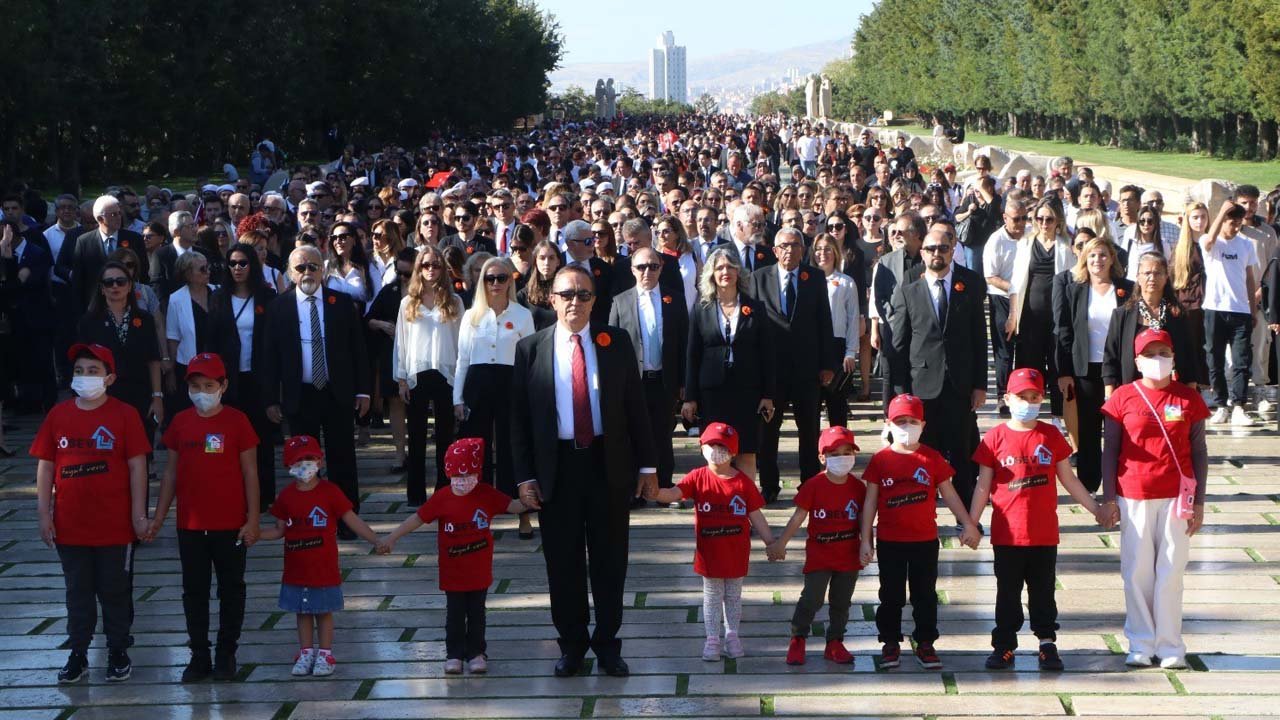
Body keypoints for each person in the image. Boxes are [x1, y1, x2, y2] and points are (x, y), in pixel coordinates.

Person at [509, 264, 658, 678]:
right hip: (556, 469)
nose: (576, 302)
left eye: (584, 295)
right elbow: (518, 421)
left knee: (611, 561)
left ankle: (608, 644)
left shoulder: (616, 342)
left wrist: (648, 466)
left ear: (596, 300)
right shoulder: (530, 349)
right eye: (568, 294)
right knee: (563, 563)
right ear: (551, 298)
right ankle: (572, 645)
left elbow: (636, 409)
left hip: (607, 465)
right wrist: (524, 477)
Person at [970, 368, 1106, 671]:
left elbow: (1069, 480)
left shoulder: (1051, 435)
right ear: (1007, 398)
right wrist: (971, 522)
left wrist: (1094, 507)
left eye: (1034, 397)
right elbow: (982, 484)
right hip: (1008, 535)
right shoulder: (994, 438)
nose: (1028, 402)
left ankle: (1047, 643)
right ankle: (1004, 644)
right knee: (1007, 592)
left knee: (1043, 591)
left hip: (1043, 534)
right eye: (1021, 396)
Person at [32, 343, 150, 684]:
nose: (85, 377)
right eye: (80, 371)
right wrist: (44, 513)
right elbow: (45, 466)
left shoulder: (124, 415)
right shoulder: (59, 415)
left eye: (93, 371)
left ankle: (117, 650)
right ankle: (79, 653)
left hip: (115, 527)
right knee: (77, 592)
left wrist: (139, 515)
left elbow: (137, 466)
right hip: (71, 527)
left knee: (115, 591)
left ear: (109, 378)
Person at [1100, 329, 1209, 670]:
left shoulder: (1188, 399)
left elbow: (1200, 452)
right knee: (1136, 572)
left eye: (1163, 352)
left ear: (1173, 357)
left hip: (1178, 498)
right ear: (1137, 361)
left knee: (1171, 571)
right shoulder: (1122, 398)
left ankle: (1170, 644)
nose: (1157, 360)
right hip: (1133, 494)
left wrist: (1201, 502)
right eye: (1150, 354)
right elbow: (1110, 451)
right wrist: (1108, 498)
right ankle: (1140, 643)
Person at [148, 353, 259, 682]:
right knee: (194, 590)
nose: (202, 392)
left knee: (231, 589)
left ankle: (226, 654)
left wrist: (253, 519)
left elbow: (250, 473)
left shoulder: (238, 421)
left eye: (209, 385)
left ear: (223, 385)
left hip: (230, 524)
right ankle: (198, 655)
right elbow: (170, 474)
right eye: (195, 386)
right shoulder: (181, 422)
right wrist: (158, 518)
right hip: (191, 526)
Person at [377, 438, 527, 674]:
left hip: (479, 570)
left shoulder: (485, 494)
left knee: (477, 613)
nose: (463, 482)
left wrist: (532, 500)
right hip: (452, 572)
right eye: (457, 477)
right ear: (449, 474)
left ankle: (477, 652)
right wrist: (392, 537)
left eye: (468, 477)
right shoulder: (443, 497)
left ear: (478, 473)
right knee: (455, 614)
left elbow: (513, 506)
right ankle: (454, 653)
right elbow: (417, 519)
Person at [859, 394, 980, 670]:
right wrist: (865, 540)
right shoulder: (880, 460)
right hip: (890, 541)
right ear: (889, 424)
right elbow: (870, 502)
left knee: (925, 594)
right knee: (891, 594)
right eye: (900, 421)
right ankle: (890, 642)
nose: (906, 426)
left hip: (925, 541)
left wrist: (967, 523)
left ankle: (925, 642)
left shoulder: (931, 458)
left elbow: (949, 493)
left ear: (923, 425)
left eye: (912, 421)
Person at [261, 246, 371, 539]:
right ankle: (309, 517)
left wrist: (363, 391)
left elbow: (358, 350)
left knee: (342, 457)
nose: (307, 273)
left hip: (337, 392)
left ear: (323, 270)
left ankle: (347, 521)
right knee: (304, 461)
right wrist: (271, 398)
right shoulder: (279, 306)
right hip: (300, 394)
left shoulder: (342, 302)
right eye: (300, 268)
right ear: (289, 272)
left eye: (312, 266)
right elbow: (269, 357)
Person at [646, 423, 775, 661]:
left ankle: (733, 635)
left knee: (734, 595)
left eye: (724, 447)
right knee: (713, 595)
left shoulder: (743, 483)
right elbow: (675, 493)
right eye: (712, 445)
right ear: (701, 447)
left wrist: (771, 543)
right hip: (709, 553)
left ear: (734, 452)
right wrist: (655, 493)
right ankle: (712, 639)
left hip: (736, 553)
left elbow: (756, 515)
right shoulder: (697, 477)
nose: (717, 450)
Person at [258, 436, 382, 677]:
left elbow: (351, 519)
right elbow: (279, 530)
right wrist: (257, 535)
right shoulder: (286, 497)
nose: (305, 464)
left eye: (309, 458)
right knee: (302, 612)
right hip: (296, 569)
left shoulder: (330, 492)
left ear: (319, 460)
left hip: (323, 568)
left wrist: (375, 540)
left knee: (324, 611)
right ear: (289, 465)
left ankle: (325, 652)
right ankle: (306, 652)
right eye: (298, 460)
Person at [888, 229, 988, 509]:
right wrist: (899, 395)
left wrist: (980, 385)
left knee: (961, 454)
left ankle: (965, 516)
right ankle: (924, 510)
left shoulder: (968, 287)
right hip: (922, 388)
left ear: (952, 250)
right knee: (923, 454)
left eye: (943, 248)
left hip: (959, 385)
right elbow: (898, 346)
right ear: (922, 252)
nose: (937, 253)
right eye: (931, 248)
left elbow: (979, 339)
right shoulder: (909, 292)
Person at [751, 227, 837, 503]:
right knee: (768, 431)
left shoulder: (814, 278)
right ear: (775, 251)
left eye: (795, 245)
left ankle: (809, 483)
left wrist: (827, 364)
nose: (790, 250)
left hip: (806, 369)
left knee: (809, 428)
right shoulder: (758, 279)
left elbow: (824, 321)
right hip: (771, 369)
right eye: (784, 246)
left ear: (803, 249)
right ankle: (769, 485)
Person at [768, 426, 865, 666]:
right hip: (820, 554)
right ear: (822, 457)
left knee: (842, 601)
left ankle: (835, 641)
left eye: (846, 452)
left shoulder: (858, 488)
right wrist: (781, 543)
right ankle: (798, 637)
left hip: (848, 554)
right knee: (812, 597)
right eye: (834, 453)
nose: (841, 458)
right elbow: (798, 517)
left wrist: (868, 544)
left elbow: (866, 519)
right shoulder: (813, 485)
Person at [454, 256, 536, 534]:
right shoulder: (471, 315)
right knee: (478, 447)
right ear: (482, 282)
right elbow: (462, 359)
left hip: (510, 382)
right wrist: (457, 398)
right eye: (490, 279)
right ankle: (482, 511)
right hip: (477, 383)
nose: (496, 284)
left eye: (502, 278)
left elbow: (529, 359)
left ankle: (521, 511)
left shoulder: (522, 315)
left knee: (511, 446)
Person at [682, 247, 776, 483]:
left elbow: (767, 353)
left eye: (731, 267)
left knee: (746, 451)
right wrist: (690, 397)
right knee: (716, 451)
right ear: (711, 274)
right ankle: (717, 504)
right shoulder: (701, 309)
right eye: (720, 267)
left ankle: (745, 507)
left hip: (748, 391)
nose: (726, 272)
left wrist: (768, 394)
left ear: (738, 272)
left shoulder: (756, 308)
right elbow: (692, 354)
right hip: (712, 392)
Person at [1053, 235, 1133, 493]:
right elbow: (1064, 331)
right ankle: (1089, 484)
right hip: (1086, 369)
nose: (1097, 260)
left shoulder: (1126, 289)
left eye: (1102, 255)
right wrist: (1064, 371)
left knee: (1120, 429)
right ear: (1084, 259)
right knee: (1088, 429)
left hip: (1119, 370)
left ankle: (1121, 482)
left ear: (1112, 258)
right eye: (1092, 255)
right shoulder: (1075, 289)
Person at [609, 246, 689, 498]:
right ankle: (635, 490)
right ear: (632, 270)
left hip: (665, 381)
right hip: (633, 382)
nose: (647, 272)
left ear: (661, 268)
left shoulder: (674, 298)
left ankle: (664, 488)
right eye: (641, 267)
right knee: (632, 434)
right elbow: (611, 348)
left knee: (663, 435)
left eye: (653, 266)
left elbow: (684, 343)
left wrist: (685, 383)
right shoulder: (620, 301)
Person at [208, 243, 278, 508]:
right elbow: (210, 342)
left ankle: (264, 496)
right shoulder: (218, 297)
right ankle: (231, 492)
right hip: (228, 379)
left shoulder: (267, 297)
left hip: (258, 377)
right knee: (227, 437)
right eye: (232, 263)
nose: (237, 268)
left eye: (243, 263)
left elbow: (274, 341)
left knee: (261, 437)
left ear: (253, 265)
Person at [394, 246, 464, 503]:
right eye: (425, 265)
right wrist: (401, 377)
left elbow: (461, 343)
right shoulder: (407, 302)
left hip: (446, 373)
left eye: (435, 264)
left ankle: (444, 490)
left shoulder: (454, 301)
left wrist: (461, 378)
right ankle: (415, 494)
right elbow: (400, 343)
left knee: (446, 435)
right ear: (418, 269)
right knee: (417, 435)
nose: (431, 269)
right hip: (417, 372)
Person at [76, 261, 165, 440]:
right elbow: (82, 364)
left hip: (139, 393)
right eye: (109, 282)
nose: (115, 286)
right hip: (104, 394)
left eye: (121, 281)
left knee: (140, 450)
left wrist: (157, 397)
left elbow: (153, 359)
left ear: (130, 285)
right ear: (102, 288)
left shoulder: (144, 319)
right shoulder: (89, 321)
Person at [1007, 197, 1076, 423]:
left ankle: (1057, 416)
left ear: (1058, 221)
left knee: (1058, 363)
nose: (1044, 223)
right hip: (1030, 316)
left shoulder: (1066, 245)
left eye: (1049, 219)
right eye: (1039, 218)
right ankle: (1029, 411)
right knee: (1030, 363)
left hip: (1057, 315)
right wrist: (1012, 315)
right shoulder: (1026, 244)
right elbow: (1016, 283)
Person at [1103, 252, 1199, 396]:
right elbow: (1110, 358)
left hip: (1172, 392)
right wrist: (1109, 395)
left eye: (1158, 273)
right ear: (1138, 277)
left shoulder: (1177, 314)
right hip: (1133, 392)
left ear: (1166, 277)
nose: (1152, 278)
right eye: (1147, 273)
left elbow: (1190, 356)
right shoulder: (1122, 315)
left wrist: (1191, 392)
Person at [1200, 201, 1259, 426]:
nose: (1235, 228)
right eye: (1231, 223)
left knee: (1242, 360)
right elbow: (1208, 241)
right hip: (1215, 308)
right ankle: (1221, 404)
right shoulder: (1212, 243)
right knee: (1214, 359)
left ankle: (1238, 406)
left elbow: (1250, 276)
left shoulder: (1245, 244)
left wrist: (1252, 309)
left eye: (1238, 224)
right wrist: (1222, 210)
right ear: (1223, 220)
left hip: (1240, 310)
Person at [365, 247, 417, 473]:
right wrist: (381, 324)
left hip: (419, 354)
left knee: (418, 405)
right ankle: (399, 454)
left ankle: (417, 451)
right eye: (400, 272)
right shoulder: (390, 290)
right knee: (395, 403)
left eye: (408, 273)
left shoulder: (426, 292)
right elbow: (369, 319)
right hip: (392, 353)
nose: (403, 278)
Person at [811, 232, 861, 426]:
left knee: (837, 404)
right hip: (813, 346)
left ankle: (840, 451)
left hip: (837, 346)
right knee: (812, 406)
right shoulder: (807, 278)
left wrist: (850, 352)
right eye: (818, 249)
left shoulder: (846, 282)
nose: (822, 253)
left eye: (827, 249)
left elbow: (853, 319)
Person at [983, 199, 1028, 412]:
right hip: (1001, 297)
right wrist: (1013, 288)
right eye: (1016, 219)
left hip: (1025, 297)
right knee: (1004, 349)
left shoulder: (1029, 236)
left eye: (1024, 218)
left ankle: (1023, 389)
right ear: (1005, 218)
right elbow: (990, 276)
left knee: (1026, 347)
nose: (1020, 224)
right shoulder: (995, 241)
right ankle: (1003, 394)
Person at [70, 195, 148, 312]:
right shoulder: (84, 242)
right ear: (100, 219)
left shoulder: (134, 239)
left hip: (128, 304)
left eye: (119, 213)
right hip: (96, 308)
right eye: (113, 215)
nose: (118, 217)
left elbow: (143, 272)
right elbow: (78, 280)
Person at [166, 251, 215, 402]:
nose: (208, 272)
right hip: (189, 368)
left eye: (208, 267)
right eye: (202, 269)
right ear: (188, 274)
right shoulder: (176, 299)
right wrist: (171, 373)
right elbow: (172, 338)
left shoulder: (219, 293)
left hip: (217, 366)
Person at [1171, 202, 1211, 388]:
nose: (1200, 221)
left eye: (1203, 216)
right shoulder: (1180, 248)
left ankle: (1208, 386)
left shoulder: (1213, 243)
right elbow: (1173, 279)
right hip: (1188, 304)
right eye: (1195, 217)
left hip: (1211, 303)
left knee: (1210, 348)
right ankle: (1193, 386)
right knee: (1191, 347)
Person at [518, 240, 561, 330]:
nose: (546, 263)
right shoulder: (524, 295)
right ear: (535, 262)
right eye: (542, 258)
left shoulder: (565, 292)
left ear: (558, 262)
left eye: (551, 258)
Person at [324, 221, 371, 304]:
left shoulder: (369, 266)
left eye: (343, 237)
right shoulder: (326, 266)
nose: (338, 241)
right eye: (334, 237)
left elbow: (375, 298)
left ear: (354, 239)